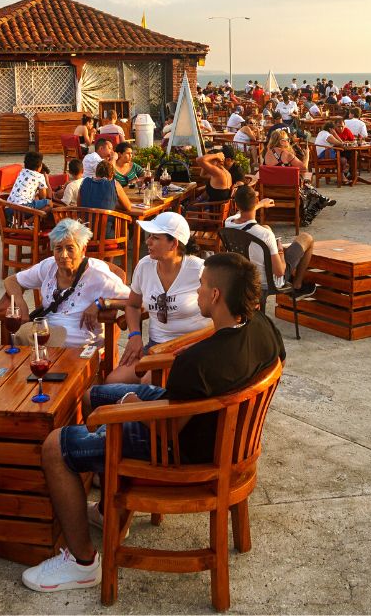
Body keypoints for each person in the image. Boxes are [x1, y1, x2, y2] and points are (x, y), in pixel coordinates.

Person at [22, 252, 283, 592]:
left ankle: (82, 562)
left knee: (55, 447)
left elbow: (168, 427)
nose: (198, 293)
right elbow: (185, 394)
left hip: (179, 451)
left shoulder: (200, 364)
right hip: (217, 431)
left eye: (202, 287)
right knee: (92, 396)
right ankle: (105, 510)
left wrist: (127, 406)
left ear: (216, 296)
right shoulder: (262, 327)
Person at [107, 213, 211, 385]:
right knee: (111, 382)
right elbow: (133, 305)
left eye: (155, 238)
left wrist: (198, 345)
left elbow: (222, 314)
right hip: (156, 347)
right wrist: (134, 335)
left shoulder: (200, 270)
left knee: (147, 382)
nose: (147, 242)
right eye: (149, 237)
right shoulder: (145, 265)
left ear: (174, 243)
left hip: (190, 349)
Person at [1, 219, 130, 351]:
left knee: (25, 342)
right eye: (58, 248)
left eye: (70, 248)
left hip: (80, 340)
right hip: (47, 331)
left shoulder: (98, 275)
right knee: (22, 340)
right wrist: (21, 304)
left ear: (83, 249)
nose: (63, 255)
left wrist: (101, 303)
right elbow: (11, 281)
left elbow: (138, 302)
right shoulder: (49, 266)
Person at [224, 185, 316, 295]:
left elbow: (242, 214)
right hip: (268, 282)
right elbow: (279, 271)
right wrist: (280, 250)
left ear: (236, 205)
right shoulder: (265, 235)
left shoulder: (228, 223)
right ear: (255, 201)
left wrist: (261, 204)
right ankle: (297, 285)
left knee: (267, 227)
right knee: (307, 238)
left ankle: (291, 275)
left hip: (245, 278)